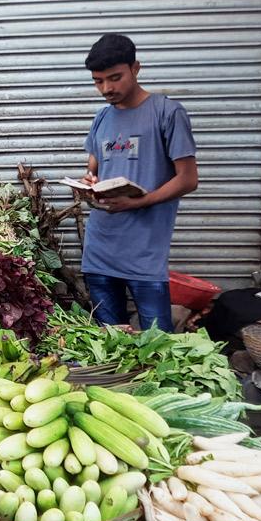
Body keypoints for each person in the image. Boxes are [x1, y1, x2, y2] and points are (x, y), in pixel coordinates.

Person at [79, 34, 199, 332]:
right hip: (99, 248)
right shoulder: (102, 118)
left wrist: (141, 201)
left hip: (144, 254)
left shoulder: (167, 112)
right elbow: (93, 168)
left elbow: (188, 179)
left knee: (158, 346)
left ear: (136, 68)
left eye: (115, 77)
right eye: (98, 81)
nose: (107, 88)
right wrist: (87, 184)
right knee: (108, 343)